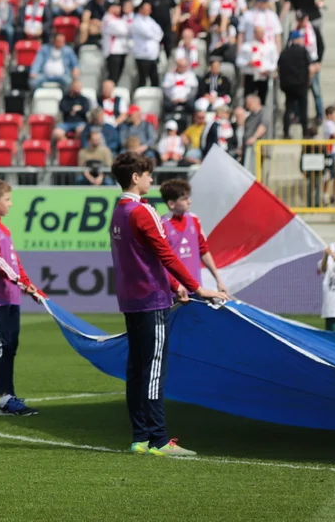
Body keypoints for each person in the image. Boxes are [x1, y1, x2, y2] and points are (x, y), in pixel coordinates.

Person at [109, 152, 227, 457]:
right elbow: (165, 255)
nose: (151, 179)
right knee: (153, 371)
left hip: (132, 300)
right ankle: (159, 440)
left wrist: (175, 286)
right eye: (148, 174)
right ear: (135, 178)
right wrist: (197, 287)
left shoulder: (118, 211)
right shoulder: (142, 211)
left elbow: (144, 258)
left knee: (136, 369)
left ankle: (140, 439)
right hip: (151, 299)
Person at [0, 179, 43, 417]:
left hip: (11, 296)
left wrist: (31, 287)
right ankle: (4, 399)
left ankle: (9, 397)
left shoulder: (3, 229)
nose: (10, 205)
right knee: (1, 345)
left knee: (11, 346)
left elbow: (14, 262)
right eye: (7, 200)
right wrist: (22, 282)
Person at [159, 180, 229, 297]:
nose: (189, 201)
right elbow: (160, 262)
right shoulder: (161, 225)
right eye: (184, 199)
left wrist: (219, 280)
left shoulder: (194, 220)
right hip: (173, 293)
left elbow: (204, 251)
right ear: (171, 203)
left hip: (196, 289)